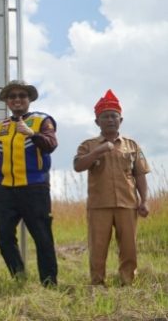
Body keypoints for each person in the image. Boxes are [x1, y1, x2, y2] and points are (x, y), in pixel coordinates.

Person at [73, 89, 150, 286]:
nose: (110, 120)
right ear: (97, 122)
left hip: (128, 204)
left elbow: (140, 174)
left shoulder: (132, 145)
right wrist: (98, 151)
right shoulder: (88, 145)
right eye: (105, 117)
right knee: (98, 247)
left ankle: (128, 282)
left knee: (129, 246)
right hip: (99, 205)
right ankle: (98, 284)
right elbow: (78, 165)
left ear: (120, 120)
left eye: (114, 116)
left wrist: (145, 201)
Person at [0, 80, 58, 286]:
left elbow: (51, 145)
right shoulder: (1, 127)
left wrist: (32, 134)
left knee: (42, 237)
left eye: (22, 96)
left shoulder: (42, 120)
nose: (17, 99)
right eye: (12, 96)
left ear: (29, 99)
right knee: (3, 237)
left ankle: (49, 282)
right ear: (7, 102)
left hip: (35, 188)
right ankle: (19, 277)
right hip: (6, 190)